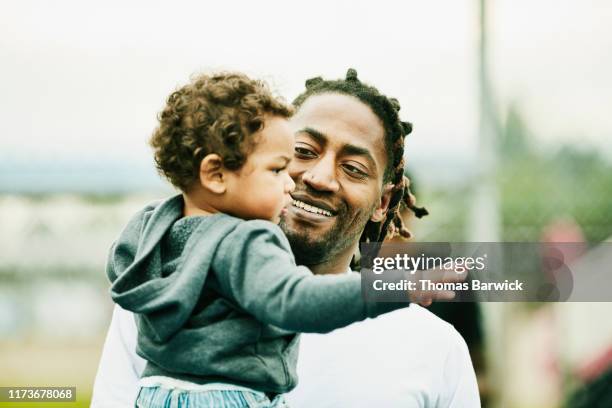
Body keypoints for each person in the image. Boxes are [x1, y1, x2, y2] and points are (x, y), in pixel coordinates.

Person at [92, 69, 481, 407]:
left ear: (383, 204)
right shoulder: (165, 296)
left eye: (353, 168)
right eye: (300, 152)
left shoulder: (434, 349)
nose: (318, 177)